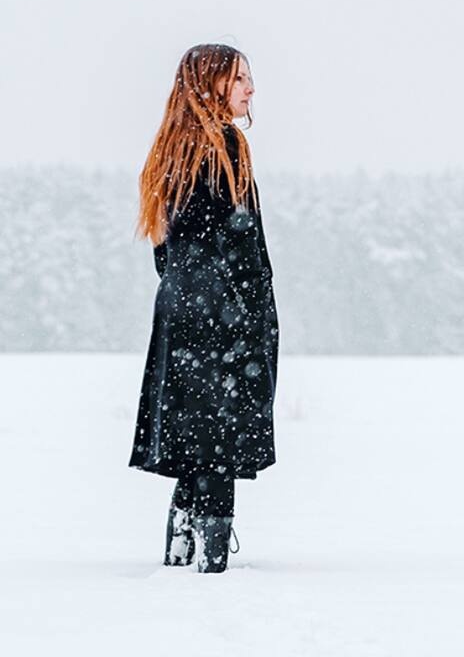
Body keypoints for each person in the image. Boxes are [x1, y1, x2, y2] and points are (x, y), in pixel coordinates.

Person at [128, 43, 279, 573]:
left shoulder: (171, 149)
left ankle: (180, 551)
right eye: (239, 79)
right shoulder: (224, 146)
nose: (250, 89)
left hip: (181, 309)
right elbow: (240, 245)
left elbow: (165, 250)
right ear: (212, 84)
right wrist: (252, 312)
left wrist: (191, 293)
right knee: (219, 439)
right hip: (223, 312)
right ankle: (212, 562)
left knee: (194, 437)